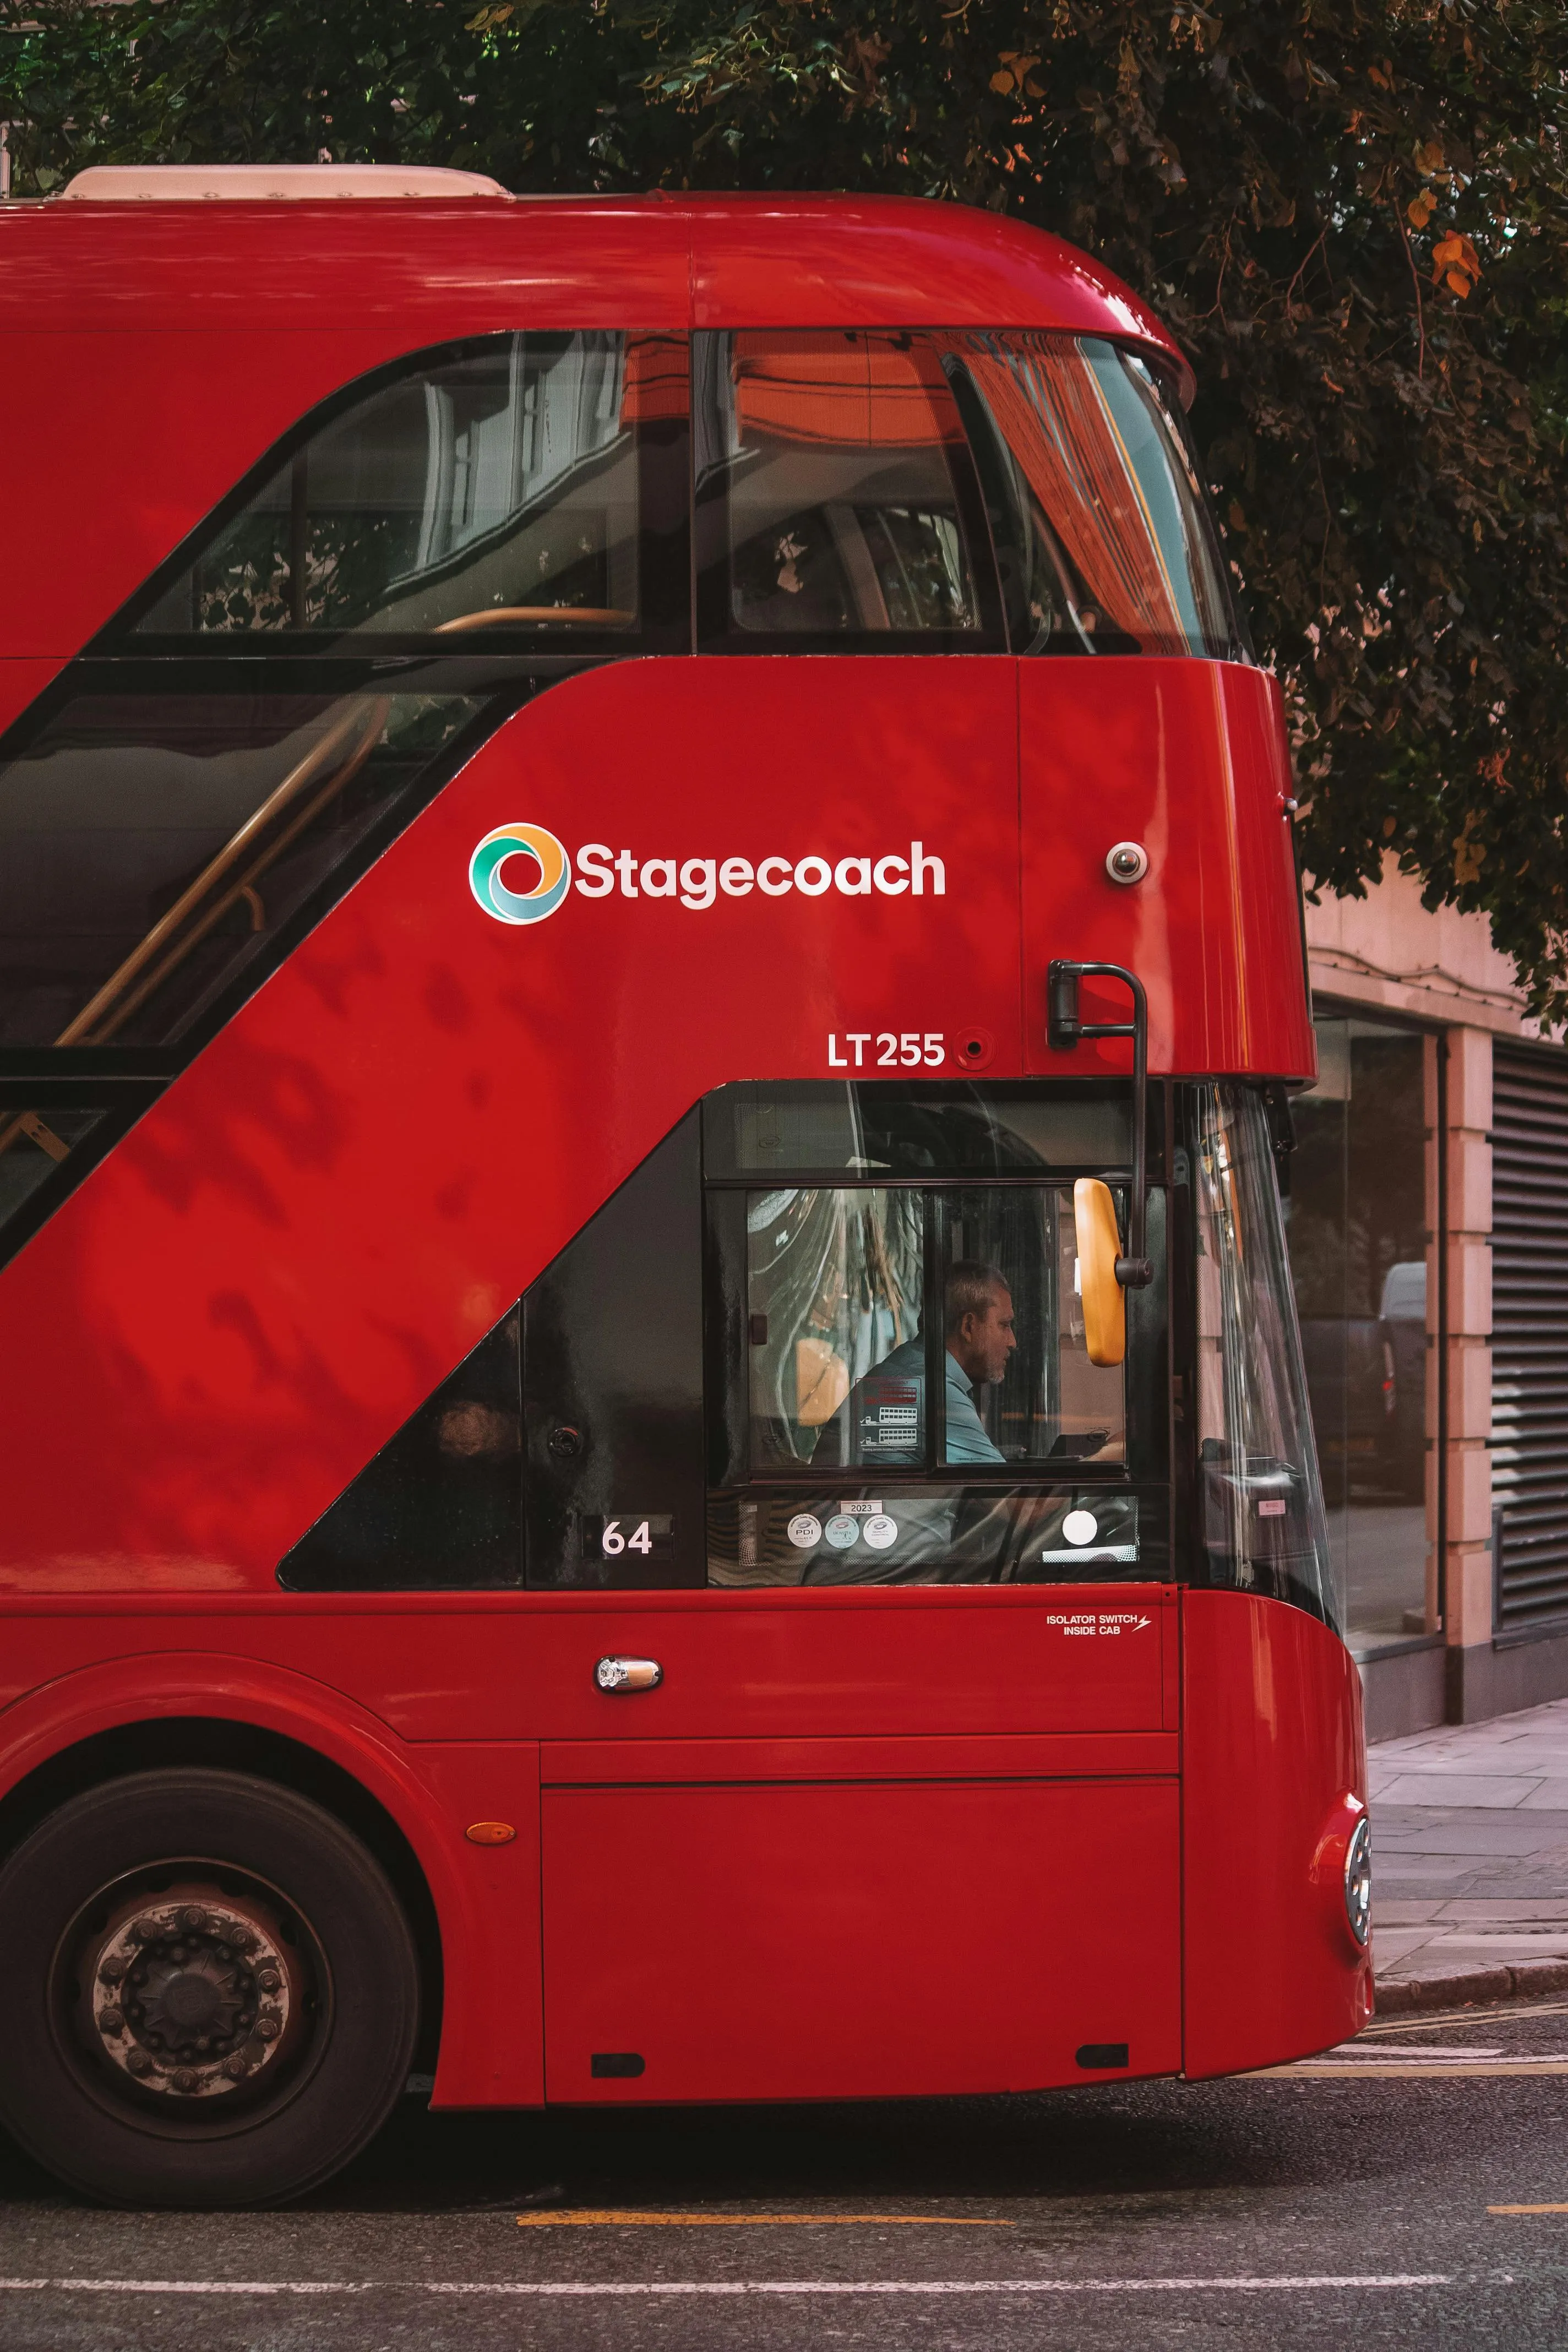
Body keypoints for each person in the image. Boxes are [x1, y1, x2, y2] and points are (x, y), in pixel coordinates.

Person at [818, 1259, 1017, 1467]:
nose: (1012, 1342)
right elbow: (1006, 1495)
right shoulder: (932, 1391)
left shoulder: (911, 1368)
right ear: (968, 1327)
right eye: (1004, 1325)